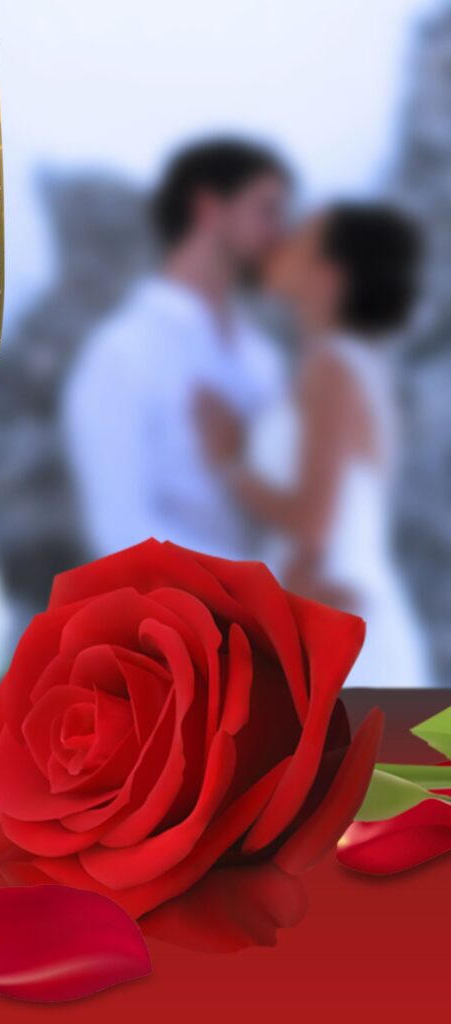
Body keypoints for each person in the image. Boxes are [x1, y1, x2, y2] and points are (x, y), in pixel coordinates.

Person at [197, 204, 430, 688]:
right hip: (332, 608)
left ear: (329, 277)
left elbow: (313, 522)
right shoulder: (343, 366)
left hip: (337, 616)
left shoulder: (333, 368)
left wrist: (228, 464)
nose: (281, 241)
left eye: (301, 238)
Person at [63, 137, 291, 562]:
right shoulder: (122, 355)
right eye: (266, 210)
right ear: (208, 208)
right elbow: (120, 529)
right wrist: (264, 589)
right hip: (188, 619)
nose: (279, 233)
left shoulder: (265, 360)